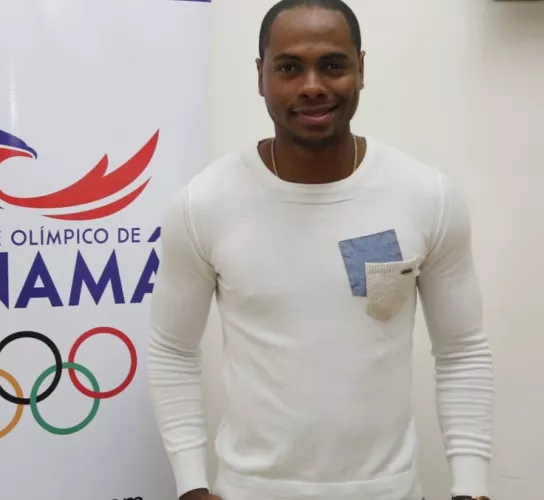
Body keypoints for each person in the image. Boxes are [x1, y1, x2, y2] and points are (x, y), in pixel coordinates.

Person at [146, 1, 495, 499]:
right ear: (261, 76)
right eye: (289, 68)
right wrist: (190, 485)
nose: (312, 86)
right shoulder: (204, 203)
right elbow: (172, 350)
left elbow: (462, 350)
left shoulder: (425, 196)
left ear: (360, 69)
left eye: (333, 65)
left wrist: (472, 487)